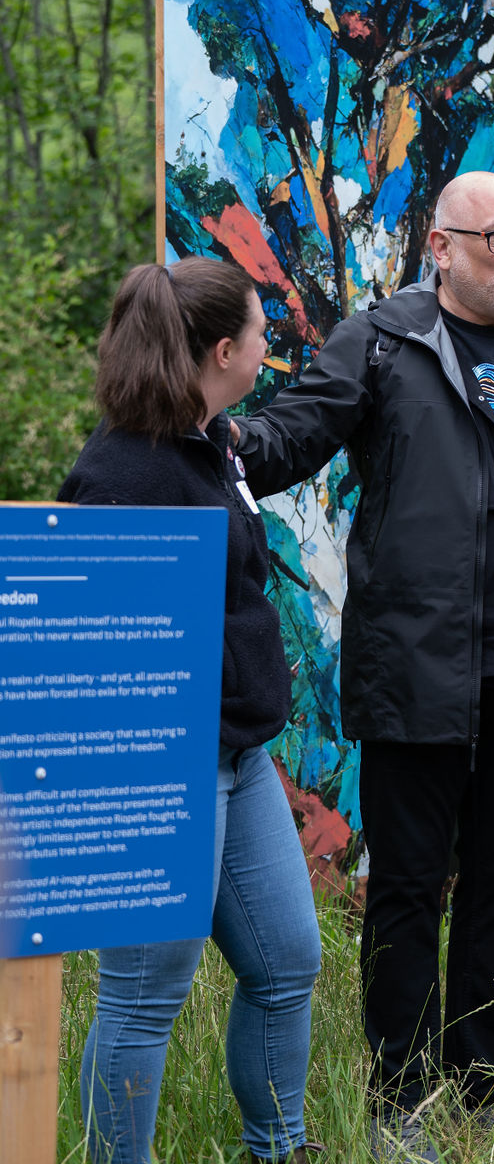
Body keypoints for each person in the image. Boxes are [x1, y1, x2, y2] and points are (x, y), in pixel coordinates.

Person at [231, 170, 494, 1162]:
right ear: (442, 249)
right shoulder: (383, 339)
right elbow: (291, 434)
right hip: (416, 662)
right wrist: (205, 433)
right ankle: (401, 1100)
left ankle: (484, 1091)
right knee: (410, 886)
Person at [59, 257, 322, 1164]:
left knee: (287, 962)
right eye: (260, 334)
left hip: (237, 754)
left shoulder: (207, 441)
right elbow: (93, 649)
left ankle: (278, 1151)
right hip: (160, 766)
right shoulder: (123, 476)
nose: (267, 347)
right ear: (221, 351)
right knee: (143, 997)